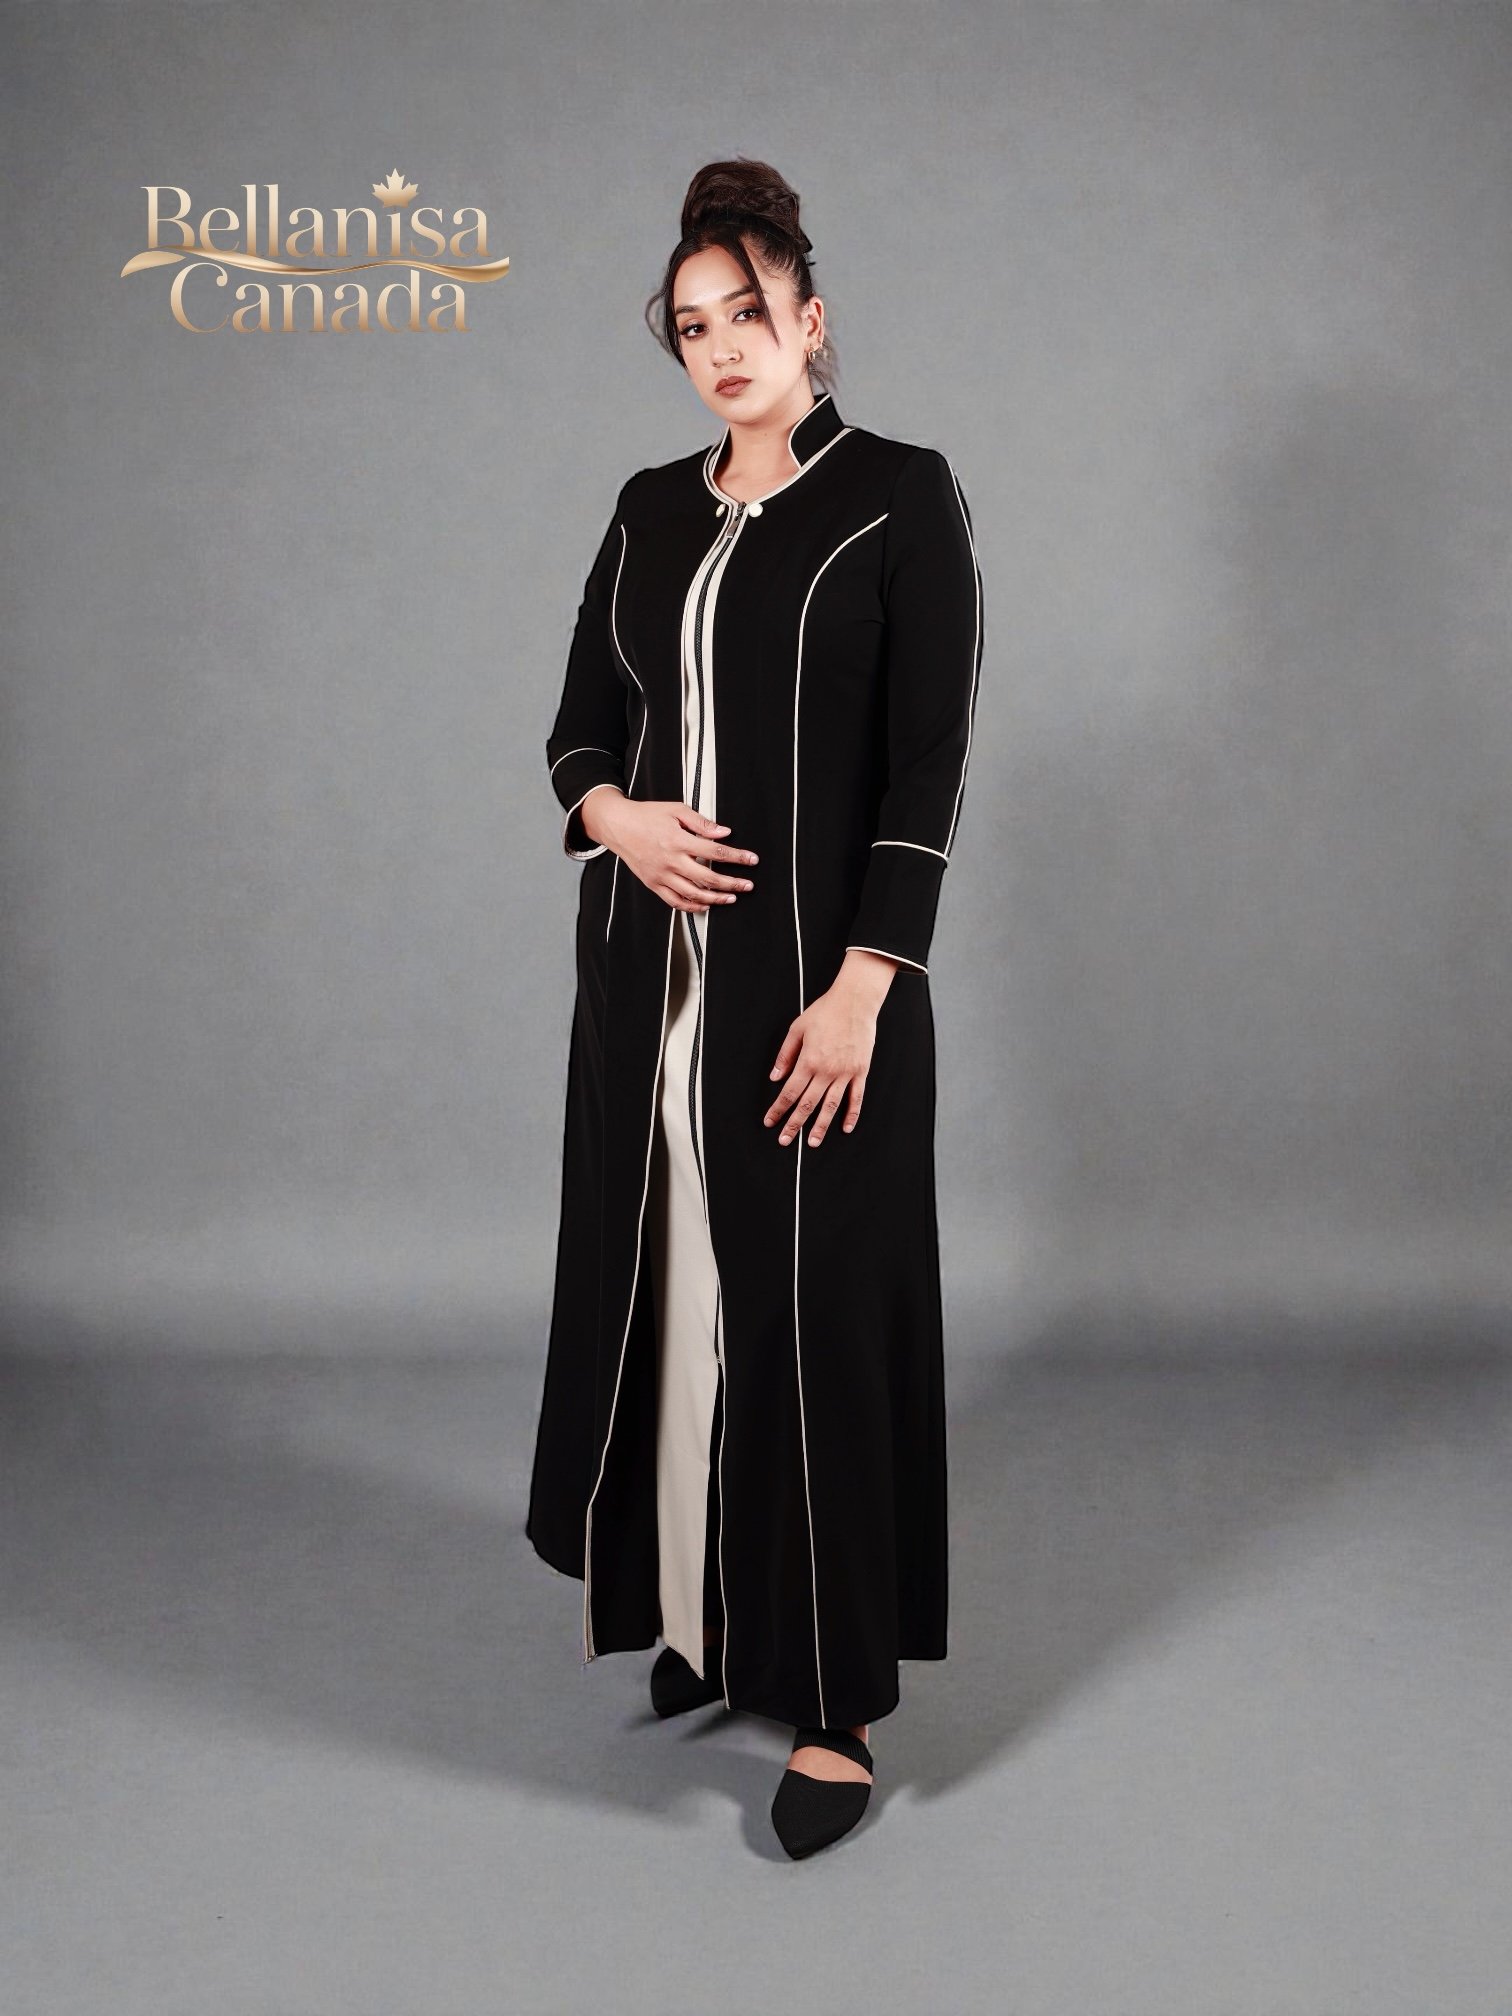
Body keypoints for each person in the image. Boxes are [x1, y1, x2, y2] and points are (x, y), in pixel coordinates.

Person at [526, 157, 984, 1859]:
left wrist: (867, 986)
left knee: (814, 1320)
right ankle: (711, 1617)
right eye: (691, 327)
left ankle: (835, 1704)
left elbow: (928, 764)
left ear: (811, 320)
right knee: (678, 1302)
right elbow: (579, 727)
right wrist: (617, 819)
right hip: (646, 991)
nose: (722, 349)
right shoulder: (650, 509)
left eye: (747, 316)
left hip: (811, 996)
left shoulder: (899, 499)